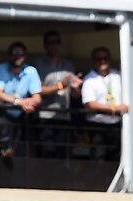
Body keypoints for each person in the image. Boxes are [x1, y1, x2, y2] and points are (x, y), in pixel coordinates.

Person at [34, 30, 83, 158]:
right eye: (50, 43)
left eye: (56, 42)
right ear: (45, 45)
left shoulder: (68, 65)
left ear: (60, 45)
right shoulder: (39, 64)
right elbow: (38, 90)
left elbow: (75, 96)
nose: (54, 45)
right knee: (47, 151)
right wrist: (60, 85)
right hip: (46, 116)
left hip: (64, 116)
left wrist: (75, 89)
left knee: (62, 154)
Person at [81, 47, 128, 160]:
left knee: (116, 157)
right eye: (99, 59)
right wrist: (113, 108)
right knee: (99, 158)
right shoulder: (89, 79)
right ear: (93, 61)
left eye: (105, 58)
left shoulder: (117, 76)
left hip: (116, 124)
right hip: (97, 125)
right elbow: (90, 104)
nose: (103, 61)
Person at [0, 41, 42, 158]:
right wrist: (19, 102)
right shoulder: (1, 69)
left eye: (21, 53)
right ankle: (4, 151)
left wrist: (29, 103)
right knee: (2, 124)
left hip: (23, 113)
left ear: (25, 56)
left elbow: (37, 98)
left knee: (24, 142)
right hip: (4, 112)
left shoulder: (31, 71)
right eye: (14, 53)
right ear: (9, 56)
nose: (18, 56)